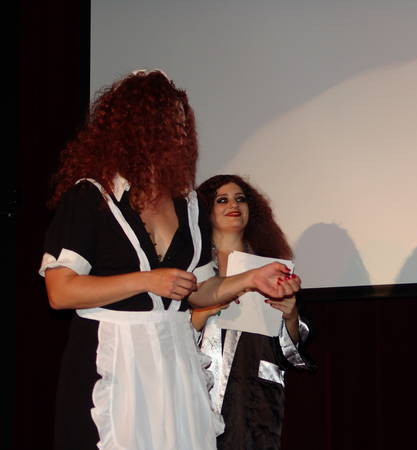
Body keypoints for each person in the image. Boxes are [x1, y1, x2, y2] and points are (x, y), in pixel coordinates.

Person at [39, 71, 300, 450]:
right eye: (165, 123)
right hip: (114, 356)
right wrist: (146, 280)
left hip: (175, 357)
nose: (177, 135)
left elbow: (198, 290)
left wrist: (251, 279)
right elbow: (60, 292)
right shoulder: (91, 197)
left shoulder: (188, 204)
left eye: (181, 125)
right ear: (132, 128)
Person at [192, 174, 312, 450]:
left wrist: (290, 316)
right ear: (205, 210)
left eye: (240, 199)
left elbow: (289, 352)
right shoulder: (192, 268)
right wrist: (200, 315)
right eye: (222, 200)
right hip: (199, 387)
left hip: (254, 398)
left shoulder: (271, 269)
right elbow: (164, 331)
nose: (233, 205)